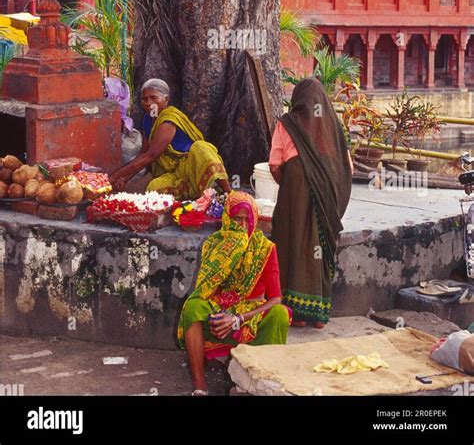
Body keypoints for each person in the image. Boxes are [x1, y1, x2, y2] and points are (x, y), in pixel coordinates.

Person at [178, 191, 291, 396]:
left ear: (255, 220)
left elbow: (275, 298)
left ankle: (263, 379)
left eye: (247, 220)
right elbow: (204, 290)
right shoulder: (214, 244)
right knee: (193, 306)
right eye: (237, 219)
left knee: (280, 314)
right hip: (220, 312)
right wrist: (224, 313)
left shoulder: (265, 248)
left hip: (248, 315)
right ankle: (200, 385)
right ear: (227, 219)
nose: (242, 225)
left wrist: (238, 319)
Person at [269, 77, 353, 329]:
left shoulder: (286, 124)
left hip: (293, 196)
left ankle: (294, 313)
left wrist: (290, 183)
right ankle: (318, 315)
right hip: (326, 200)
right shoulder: (333, 127)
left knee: (290, 242)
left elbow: (274, 165)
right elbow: (347, 168)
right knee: (320, 246)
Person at [109, 78, 231, 198]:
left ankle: (229, 194)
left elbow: (151, 156)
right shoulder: (147, 119)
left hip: (191, 166)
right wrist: (124, 178)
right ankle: (196, 193)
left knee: (200, 148)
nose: (148, 102)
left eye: (153, 98)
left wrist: (114, 176)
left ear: (166, 100)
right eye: (144, 99)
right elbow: (144, 152)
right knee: (153, 189)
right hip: (173, 173)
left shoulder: (169, 119)